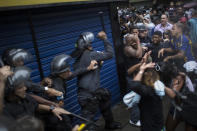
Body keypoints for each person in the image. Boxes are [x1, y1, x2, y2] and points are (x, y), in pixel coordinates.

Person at [72, 31, 121, 130]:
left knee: (105, 106)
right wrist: (104, 38)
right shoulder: (92, 55)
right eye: (90, 44)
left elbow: (91, 72)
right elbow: (110, 54)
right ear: (87, 46)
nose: (92, 46)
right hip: (87, 95)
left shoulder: (77, 60)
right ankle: (83, 129)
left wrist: (99, 65)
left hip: (93, 92)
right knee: (86, 122)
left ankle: (110, 124)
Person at [3, 66, 71, 121]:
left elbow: (36, 106)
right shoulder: (6, 110)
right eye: (20, 88)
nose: (25, 89)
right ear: (10, 90)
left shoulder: (25, 98)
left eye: (24, 86)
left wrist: (53, 108)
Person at [127, 62, 165, 131]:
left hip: (151, 126)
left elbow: (134, 85)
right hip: (158, 123)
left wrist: (141, 70)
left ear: (147, 75)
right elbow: (129, 73)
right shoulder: (157, 84)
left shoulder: (149, 90)